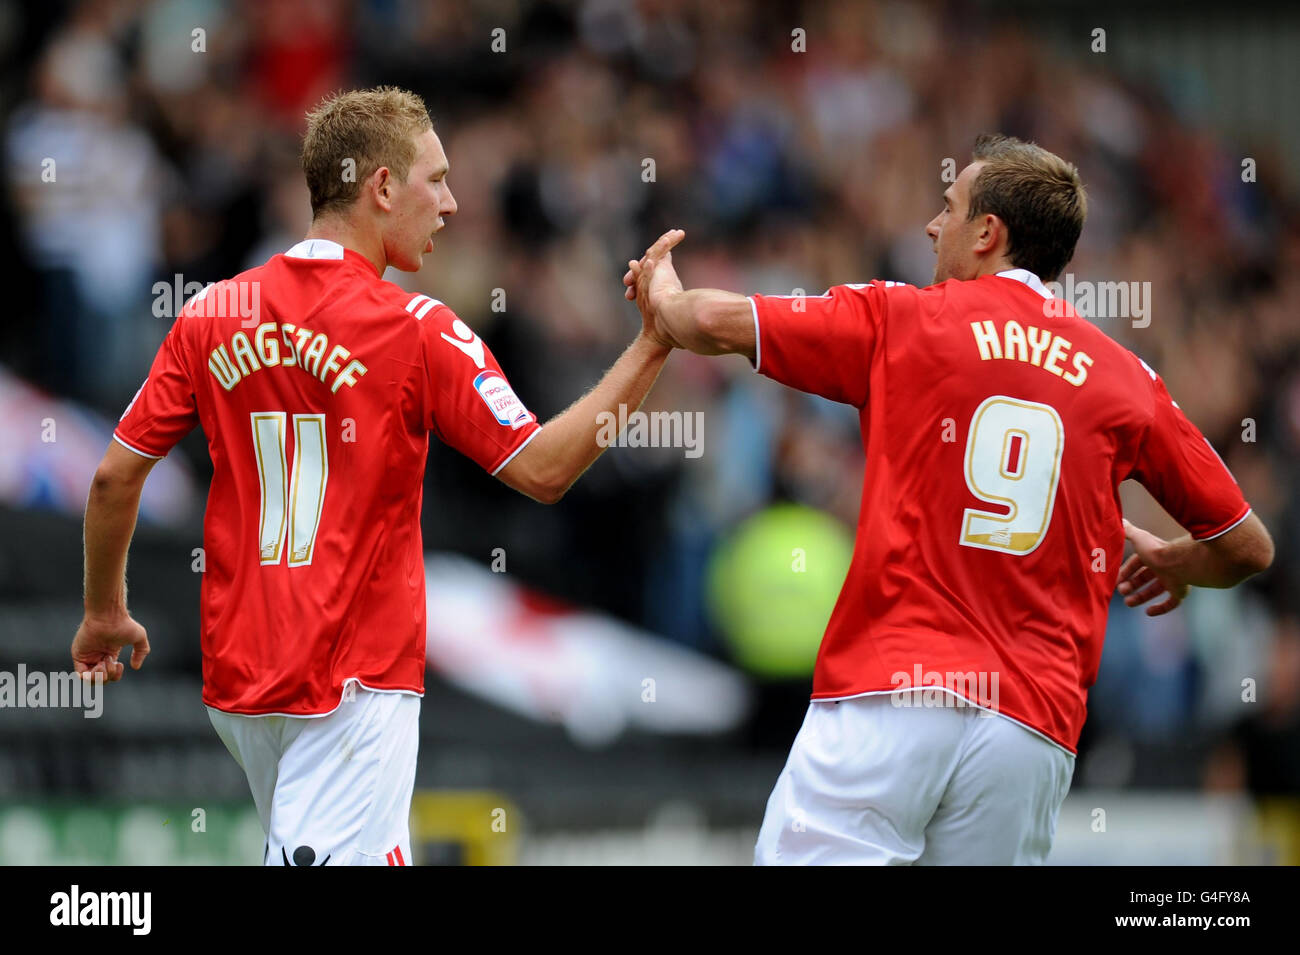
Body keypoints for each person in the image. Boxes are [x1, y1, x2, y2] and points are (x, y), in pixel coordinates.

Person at [625, 133, 1275, 865]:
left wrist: (662, 289)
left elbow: (710, 322)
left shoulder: (902, 319)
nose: (934, 226)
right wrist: (1179, 562)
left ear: (988, 233)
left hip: (892, 695)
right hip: (1030, 730)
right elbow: (1248, 546)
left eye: (948, 208)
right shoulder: (1126, 377)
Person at [72, 87, 675, 866]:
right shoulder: (416, 330)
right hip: (350, 687)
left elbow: (114, 478)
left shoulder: (212, 312)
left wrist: (102, 611)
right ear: (381, 187)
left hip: (243, 686)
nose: (452, 203)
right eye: (437, 178)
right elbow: (547, 468)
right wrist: (652, 345)